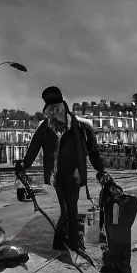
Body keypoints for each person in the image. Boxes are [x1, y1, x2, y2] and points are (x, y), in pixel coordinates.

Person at [16, 86, 108, 252]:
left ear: (63, 108)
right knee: (67, 210)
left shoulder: (80, 127)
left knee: (70, 210)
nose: (54, 114)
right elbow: (34, 148)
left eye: (57, 110)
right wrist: (24, 165)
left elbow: (92, 151)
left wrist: (101, 169)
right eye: (51, 111)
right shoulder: (45, 127)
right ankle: (66, 243)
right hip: (57, 177)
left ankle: (67, 244)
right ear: (48, 112)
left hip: (74, 175)